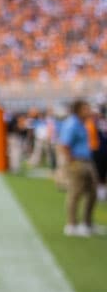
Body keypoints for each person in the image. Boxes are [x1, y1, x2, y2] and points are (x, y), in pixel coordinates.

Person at [56, 100, 99, 237]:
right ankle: (72, 224)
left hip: (87, 160)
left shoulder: (82, 123)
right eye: (86, 109)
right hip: (78, 161)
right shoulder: (72, 123)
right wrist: (71, 162)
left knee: (92, 193)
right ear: (78, 110)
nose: (89, 111)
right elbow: (64, 145)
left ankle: (86, 223)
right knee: (75, 193)